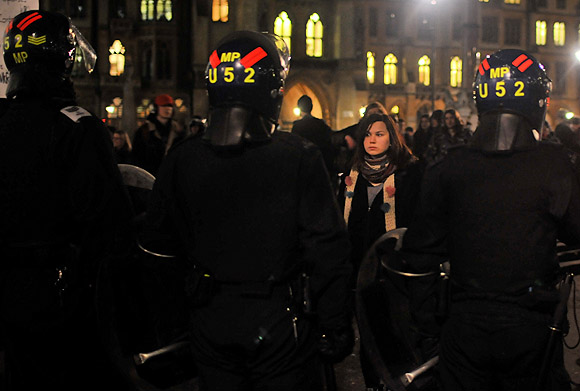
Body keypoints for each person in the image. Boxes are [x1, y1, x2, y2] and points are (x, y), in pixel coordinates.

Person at [141, 30, 354, 390]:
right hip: (279, 321)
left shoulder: (182, 158)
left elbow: (158, 249)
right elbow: (327, 250)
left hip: (208, 318)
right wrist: (334, 325)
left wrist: (176, 321)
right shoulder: (298, 156)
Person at [401, 49, 580, 390]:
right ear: (537, 102)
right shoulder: (553, 164)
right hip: (530, 326)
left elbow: (418, 257)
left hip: (464, 324)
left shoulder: (448, 168)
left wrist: (427, 330)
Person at [0, 10, 134, 391]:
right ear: (61, 58)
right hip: (64, 302)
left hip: (9, 295)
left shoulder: (5, 123)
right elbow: (112, 226)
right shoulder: (78, 128)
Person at [337, 114, 422, 391]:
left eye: (379, 134)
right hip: (360, 271)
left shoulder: (409, 173)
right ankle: (374, 384)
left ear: (392, 137)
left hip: (395, 272)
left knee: (395, 333)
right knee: (369, 336)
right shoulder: (352, 175)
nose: (372, 140)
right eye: (367, 135)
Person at [131, 93, 184, 175]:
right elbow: (137, 155)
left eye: (170, 106)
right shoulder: (145, 130)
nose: (167, 109)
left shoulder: (178, 129)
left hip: (172, 174)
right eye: (163, 106)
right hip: (150, 173)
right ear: (156, 108)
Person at [332, 102, 388, 177]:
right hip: (359, 168)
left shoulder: (388, 130)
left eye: (377, 113)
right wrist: (345, 137)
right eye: (371, 114)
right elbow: (334, 136)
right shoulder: (358, 128)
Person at [291, 94, 337, 183]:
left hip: (304, 167)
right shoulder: (320, 124)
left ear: (300, 108)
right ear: (311, 107)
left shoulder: (297, 126)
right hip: (320, 164)